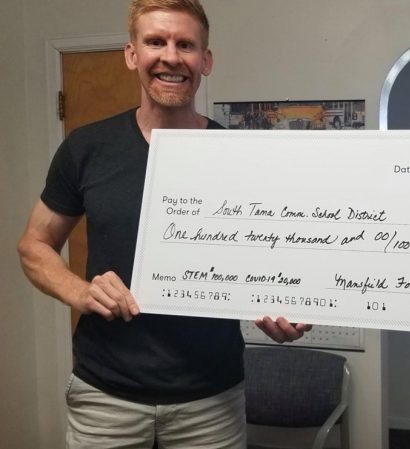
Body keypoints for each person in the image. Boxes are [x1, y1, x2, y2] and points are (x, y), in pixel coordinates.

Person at [17, 1, 308, 447]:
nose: (171, 56)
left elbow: (271, 254)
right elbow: (34, 245)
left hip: (211, 400)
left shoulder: (241, 156)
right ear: (132, 54)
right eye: (156, 42)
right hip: (105, 397)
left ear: (205, 60)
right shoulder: (87, 148)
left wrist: (282, 306)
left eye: (185, 45)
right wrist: (80, 291)